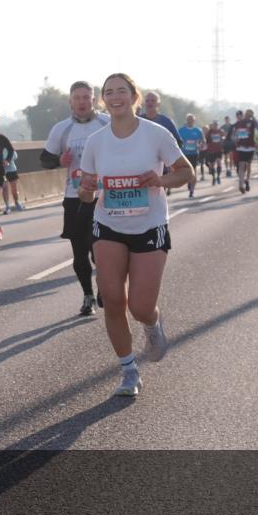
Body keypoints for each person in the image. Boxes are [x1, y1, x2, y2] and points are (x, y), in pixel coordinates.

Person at [79, 73, 192, 397]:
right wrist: (86, 190)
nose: (115, 97)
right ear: (103, 100)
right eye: (109, 92)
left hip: (149, 226)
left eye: (122, 91)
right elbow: (87, 194)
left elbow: (186, 171)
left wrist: (160, 181)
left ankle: (152, 324)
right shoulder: (96, 141)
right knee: (113, 299)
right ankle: (129, 371)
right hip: (108, 225)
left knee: (140, 307)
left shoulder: (155, 134)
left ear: (134, 97)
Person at [41, 80, 109, 315]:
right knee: (80, 252)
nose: (81, 102)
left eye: (86, 97)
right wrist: (59, 161)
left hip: (105, 196)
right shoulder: (62, 129)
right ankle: (88, 296)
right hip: (75, 197)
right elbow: (44, 160)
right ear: (70, 101)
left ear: (94, 99)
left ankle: (104, 288)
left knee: (100, 251)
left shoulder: (106, 123)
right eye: (77, 98)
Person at [177, 114, 204, 198]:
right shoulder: (181, 130)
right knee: (186, 172)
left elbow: (203, 141)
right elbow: (176, 140)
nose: (190, 121)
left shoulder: (198, 130)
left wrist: (200, 145)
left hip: (194, 154)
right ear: (186, 120)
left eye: (192, 120)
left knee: (194, 171)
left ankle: (192, 190)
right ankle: (189, 181)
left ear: (194, 121)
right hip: (184, 154)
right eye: (189, 119)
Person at [232, 109, 257, 193]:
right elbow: (234, 134)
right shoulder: (238, 123)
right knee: (241, 165)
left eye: (250, 115)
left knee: (248, 165)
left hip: (250, 147)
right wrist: (235, 139)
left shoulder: (252, 122)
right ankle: (240, 185)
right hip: (241, 147)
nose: (248, 116)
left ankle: (247, 180)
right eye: (247, 114)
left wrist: (253, 117)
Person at [2, 148, 24, 213]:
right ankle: (7, 206)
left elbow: (15, 156)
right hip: (2, 171)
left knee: (14, 189)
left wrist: (7, 160)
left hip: (12, 170)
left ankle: (17, 202)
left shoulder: (9, 147)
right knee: (4, 188)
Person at [204, 120, 225, 185]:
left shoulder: (220, 131)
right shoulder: (209, 132)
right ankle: (214, 177)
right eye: (214, 125)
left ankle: (218, 176)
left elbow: (224, 137)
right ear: (212, 125)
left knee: (219, 162)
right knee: (212, 165)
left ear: (218, 125)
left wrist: (223, 140)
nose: (215, 126)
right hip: (211, 150)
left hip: (219, 150)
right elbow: (205, 139)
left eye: (216, 125)